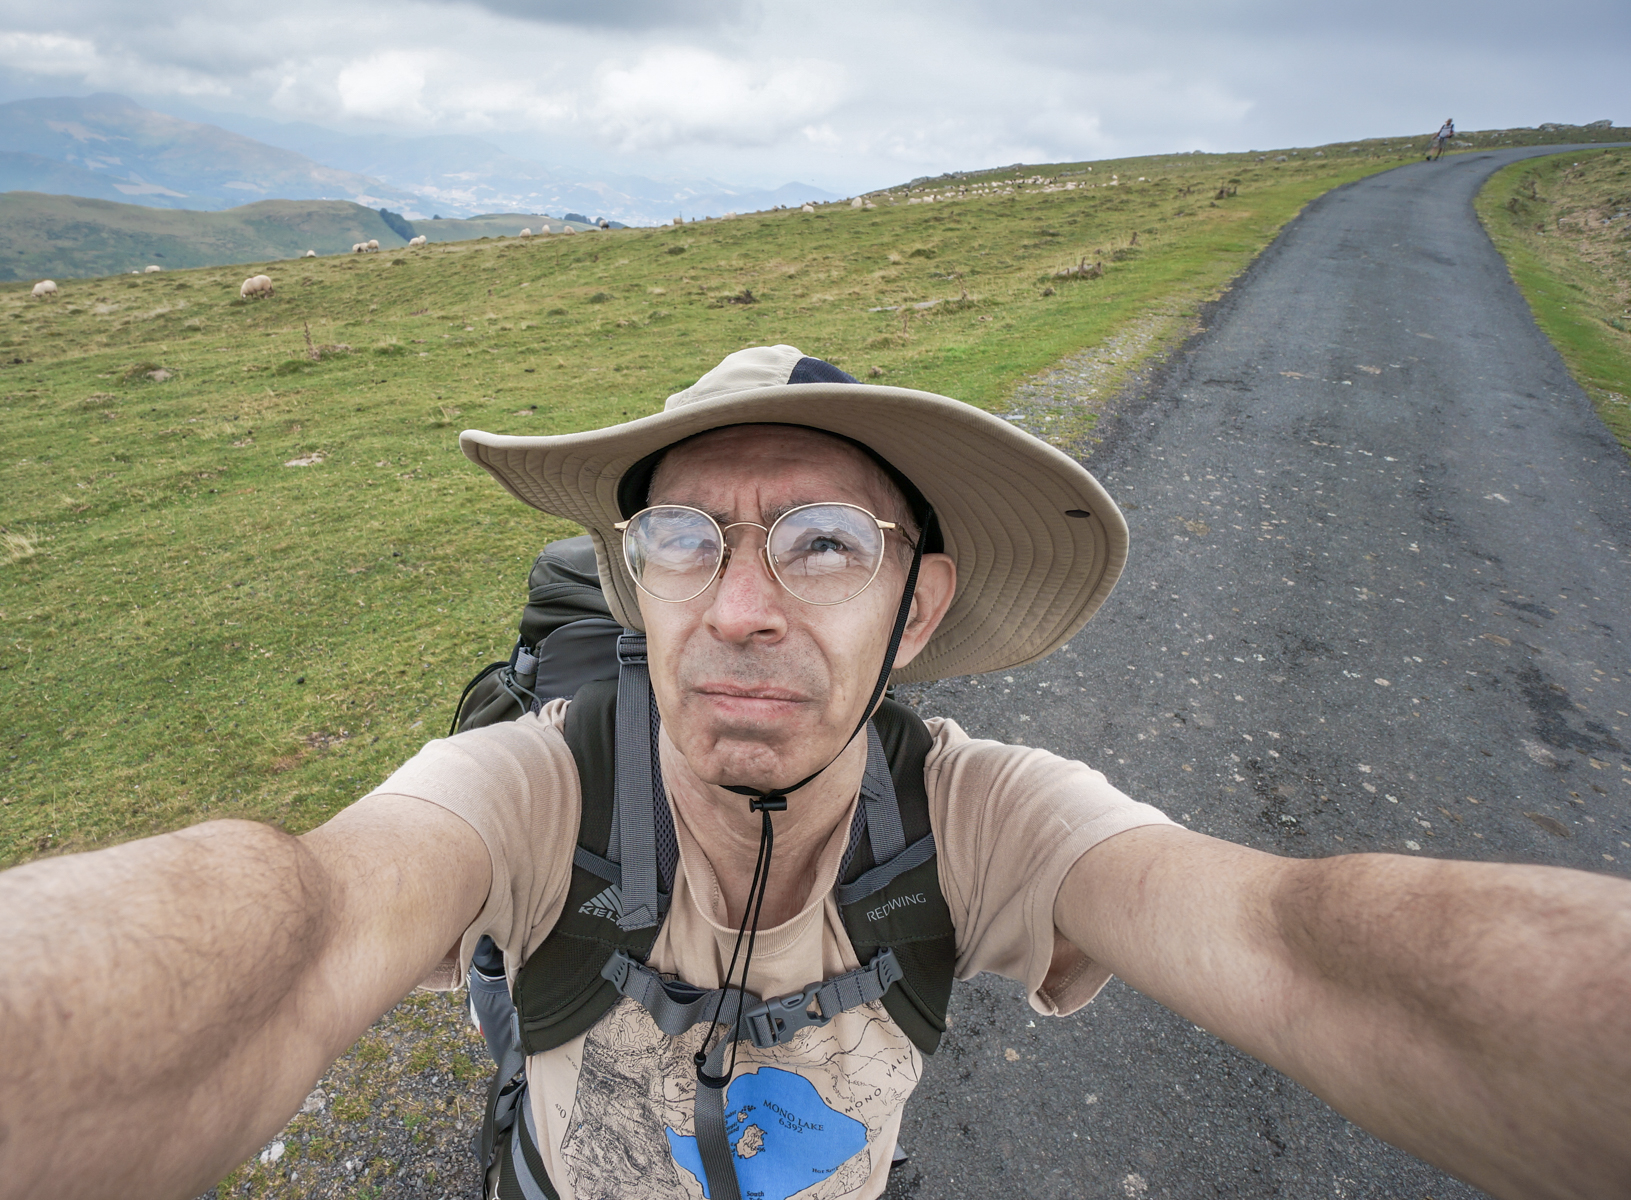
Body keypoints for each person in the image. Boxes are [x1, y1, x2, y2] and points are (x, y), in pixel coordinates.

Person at [1, 344, 1628, 1200]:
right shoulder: (526, 788)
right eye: (685, 540)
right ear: (636, 584)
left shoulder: (984, 815)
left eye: (826, 542)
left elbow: (1294, 942)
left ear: (920, 600)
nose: (744, 608)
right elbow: (287, 931)